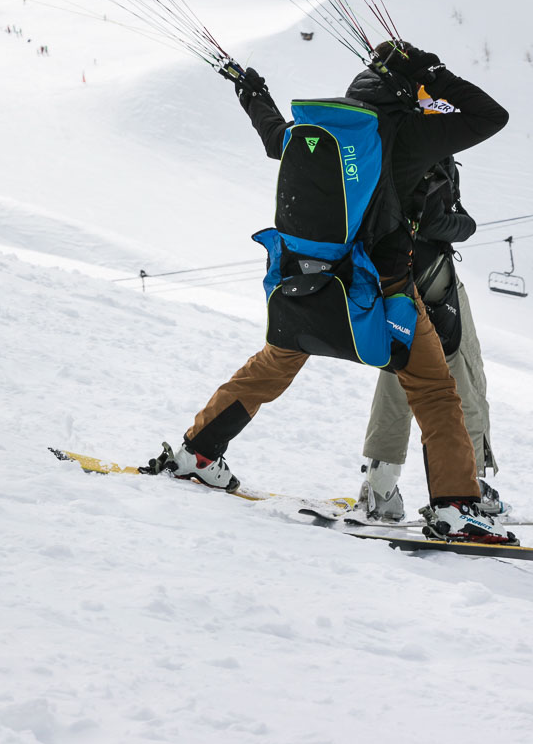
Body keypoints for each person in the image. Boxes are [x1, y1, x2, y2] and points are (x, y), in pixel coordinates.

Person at [149, 41, 513, 542]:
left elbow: (274, 136)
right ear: (409, 91)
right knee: (432, 390)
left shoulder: (321, 132)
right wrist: (435, 74)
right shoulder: (406, 134)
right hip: (377, 295)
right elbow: (490, 116)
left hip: (307, 286)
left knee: (268, 369)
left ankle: (196, 454)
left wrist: (254, 96)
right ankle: (454, 508)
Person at [357, 138, 505, 523]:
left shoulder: (370, 137)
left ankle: (380, 485)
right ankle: (468, 488)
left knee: (399, 376)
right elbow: (435, 221)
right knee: (463, 378)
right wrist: (466, 223)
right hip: (431, 279)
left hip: (383, 278)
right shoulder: (424, 138)